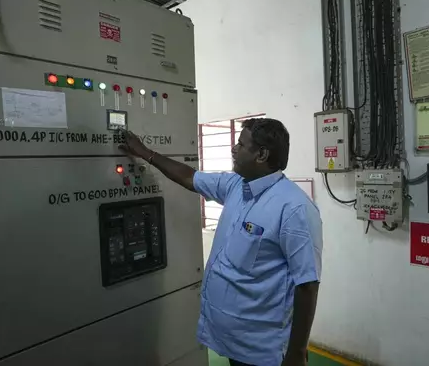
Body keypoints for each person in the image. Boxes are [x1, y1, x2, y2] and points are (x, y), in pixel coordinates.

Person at [119, 118, 322, 366]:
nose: (234, 149)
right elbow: (189, 177)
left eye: (241, 144)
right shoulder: (236, 185)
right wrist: (145, 153)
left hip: (262, 349)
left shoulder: (293, 207)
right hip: (232, 341)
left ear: (261, 154)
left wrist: (296, 353)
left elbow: (307, 285)